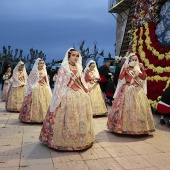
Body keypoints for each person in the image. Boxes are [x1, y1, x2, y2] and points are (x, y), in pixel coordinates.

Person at [39, 48, 94, 151]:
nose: (76, 57)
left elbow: (81, 81)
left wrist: (86, 91)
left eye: (77, 55)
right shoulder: (64, 68)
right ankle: (64, 140)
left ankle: (81, 138)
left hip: (79, 94)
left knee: (80, 117)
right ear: (69, 56)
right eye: (73, 55)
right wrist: (59, 97)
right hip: (67, 94)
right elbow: (59, 84)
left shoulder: (79, 68)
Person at [107, 53, 155, 135]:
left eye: (135, 60)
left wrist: (143, 69)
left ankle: (139, 128)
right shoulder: (126, 68)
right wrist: (124, 69)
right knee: (125, 108)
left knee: (138, 108)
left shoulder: (137, 69)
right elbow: (121, 77)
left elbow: (143, 78)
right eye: (133, 60)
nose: (134, 61)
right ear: (129, 60)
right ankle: (124, 127)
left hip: (137, 90)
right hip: (127, 89)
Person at [19, 58, 52, 123]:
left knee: (44, 103)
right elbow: (29, 80)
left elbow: (46, 81)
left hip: (44, 88)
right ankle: (34, 117)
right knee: (36, 102)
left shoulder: (44, 71)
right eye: (40, 63)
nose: (42, 64)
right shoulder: (34, 71)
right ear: (37, 64)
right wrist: (32, 87)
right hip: (36, 88)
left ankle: (44, 117)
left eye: (43, 63)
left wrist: (47, 87)